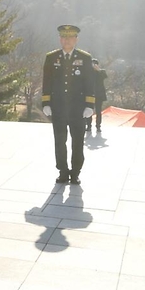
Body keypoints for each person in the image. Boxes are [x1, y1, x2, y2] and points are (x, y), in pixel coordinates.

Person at [41, 24, 95, 185]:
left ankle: (75, 172)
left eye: (70, 37)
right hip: (57, 107)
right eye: (64, 37)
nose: (67, 40)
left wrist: (89, 105)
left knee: (77, 141)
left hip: (77, 108)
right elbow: (47, 82)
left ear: (76, 40)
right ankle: (63, 171)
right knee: (60, 140)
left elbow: (89, 83)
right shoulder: (51, 57)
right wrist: (46, 102)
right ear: (60, 39)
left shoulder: (85, 57)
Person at [85, 58, 108, 134]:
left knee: (98, 111)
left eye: (95, 64)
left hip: (99, 95)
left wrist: (98, 70)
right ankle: (88, 126)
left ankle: (98, 126)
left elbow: (105, 76)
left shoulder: (101, 72)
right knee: (89, 110)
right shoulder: (89, 73)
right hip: (90, 94)